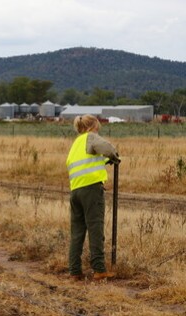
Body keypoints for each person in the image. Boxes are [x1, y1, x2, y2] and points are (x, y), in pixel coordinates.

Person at [66, 114, 120, 281]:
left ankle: (75, 271)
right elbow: (109, 149)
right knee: (95, 228)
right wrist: (114, 157)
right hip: (91, 190)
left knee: (77, 232)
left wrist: (103, 163)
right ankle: (99, 269)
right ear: (92, 126)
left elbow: (86, 163)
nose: (98, 130)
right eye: (97, 127)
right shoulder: (91, 137)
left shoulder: (76, 143)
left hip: (75, 191)